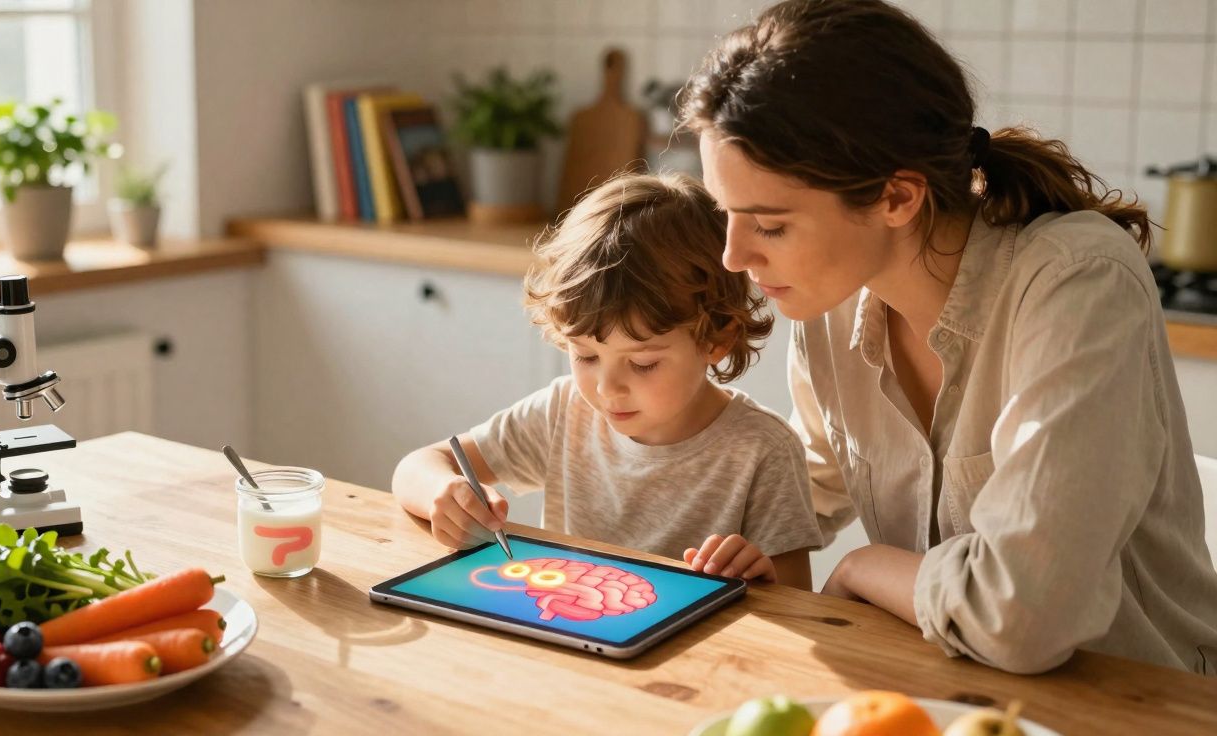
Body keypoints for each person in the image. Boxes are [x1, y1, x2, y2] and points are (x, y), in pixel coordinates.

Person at [680, 0, 1217, 674]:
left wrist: (865, 566)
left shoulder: (1076, 282)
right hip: (947, 690)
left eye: (771, 225)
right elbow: (802, 487)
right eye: (727, 213)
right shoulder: (831, 300)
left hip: (1137, 703)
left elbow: (1021, 616)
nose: (733, 257)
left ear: (897, 197)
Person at [392, 173, 823, 587]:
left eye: (643, 363)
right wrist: (443, 491)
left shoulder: (764, 450)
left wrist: (758, 580)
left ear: (716, 340)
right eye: (585, 356)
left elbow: (798, 603)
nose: (606, 388)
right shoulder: (563, 411)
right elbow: (417, 466)